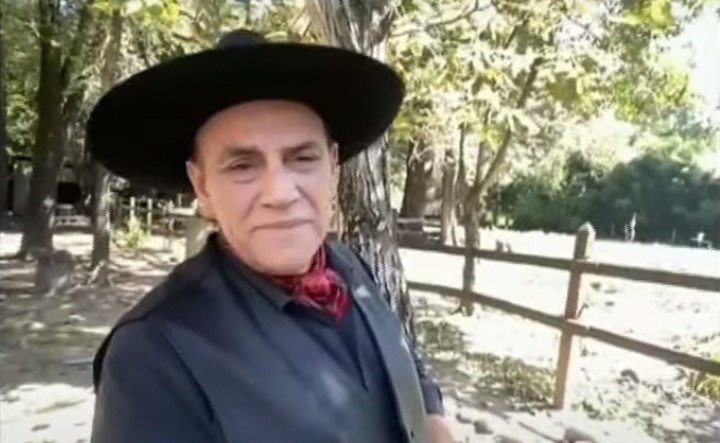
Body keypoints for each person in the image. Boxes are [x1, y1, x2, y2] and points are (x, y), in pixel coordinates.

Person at [87, 29, 453, 443]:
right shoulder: (152, 352)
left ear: (333, 168)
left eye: (303, 158)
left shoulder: (353, 267)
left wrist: (433, 420)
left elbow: (403, 363)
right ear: (202, 186)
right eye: (242, 166)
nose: (280, 193)